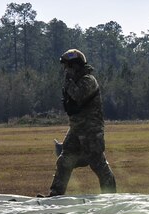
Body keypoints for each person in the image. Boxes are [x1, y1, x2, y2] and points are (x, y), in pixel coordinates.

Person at [39, 49, 117, 197]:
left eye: (67, 67)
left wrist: (68, 82)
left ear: (75, 66)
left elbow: (77, 96)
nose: (65, 70)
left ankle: (111, 197)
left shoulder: (88, 80)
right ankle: (55, 195)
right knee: (64, 161)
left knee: (98, 163)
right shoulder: (73, 81)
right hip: (76, 129)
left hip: (91, 130)